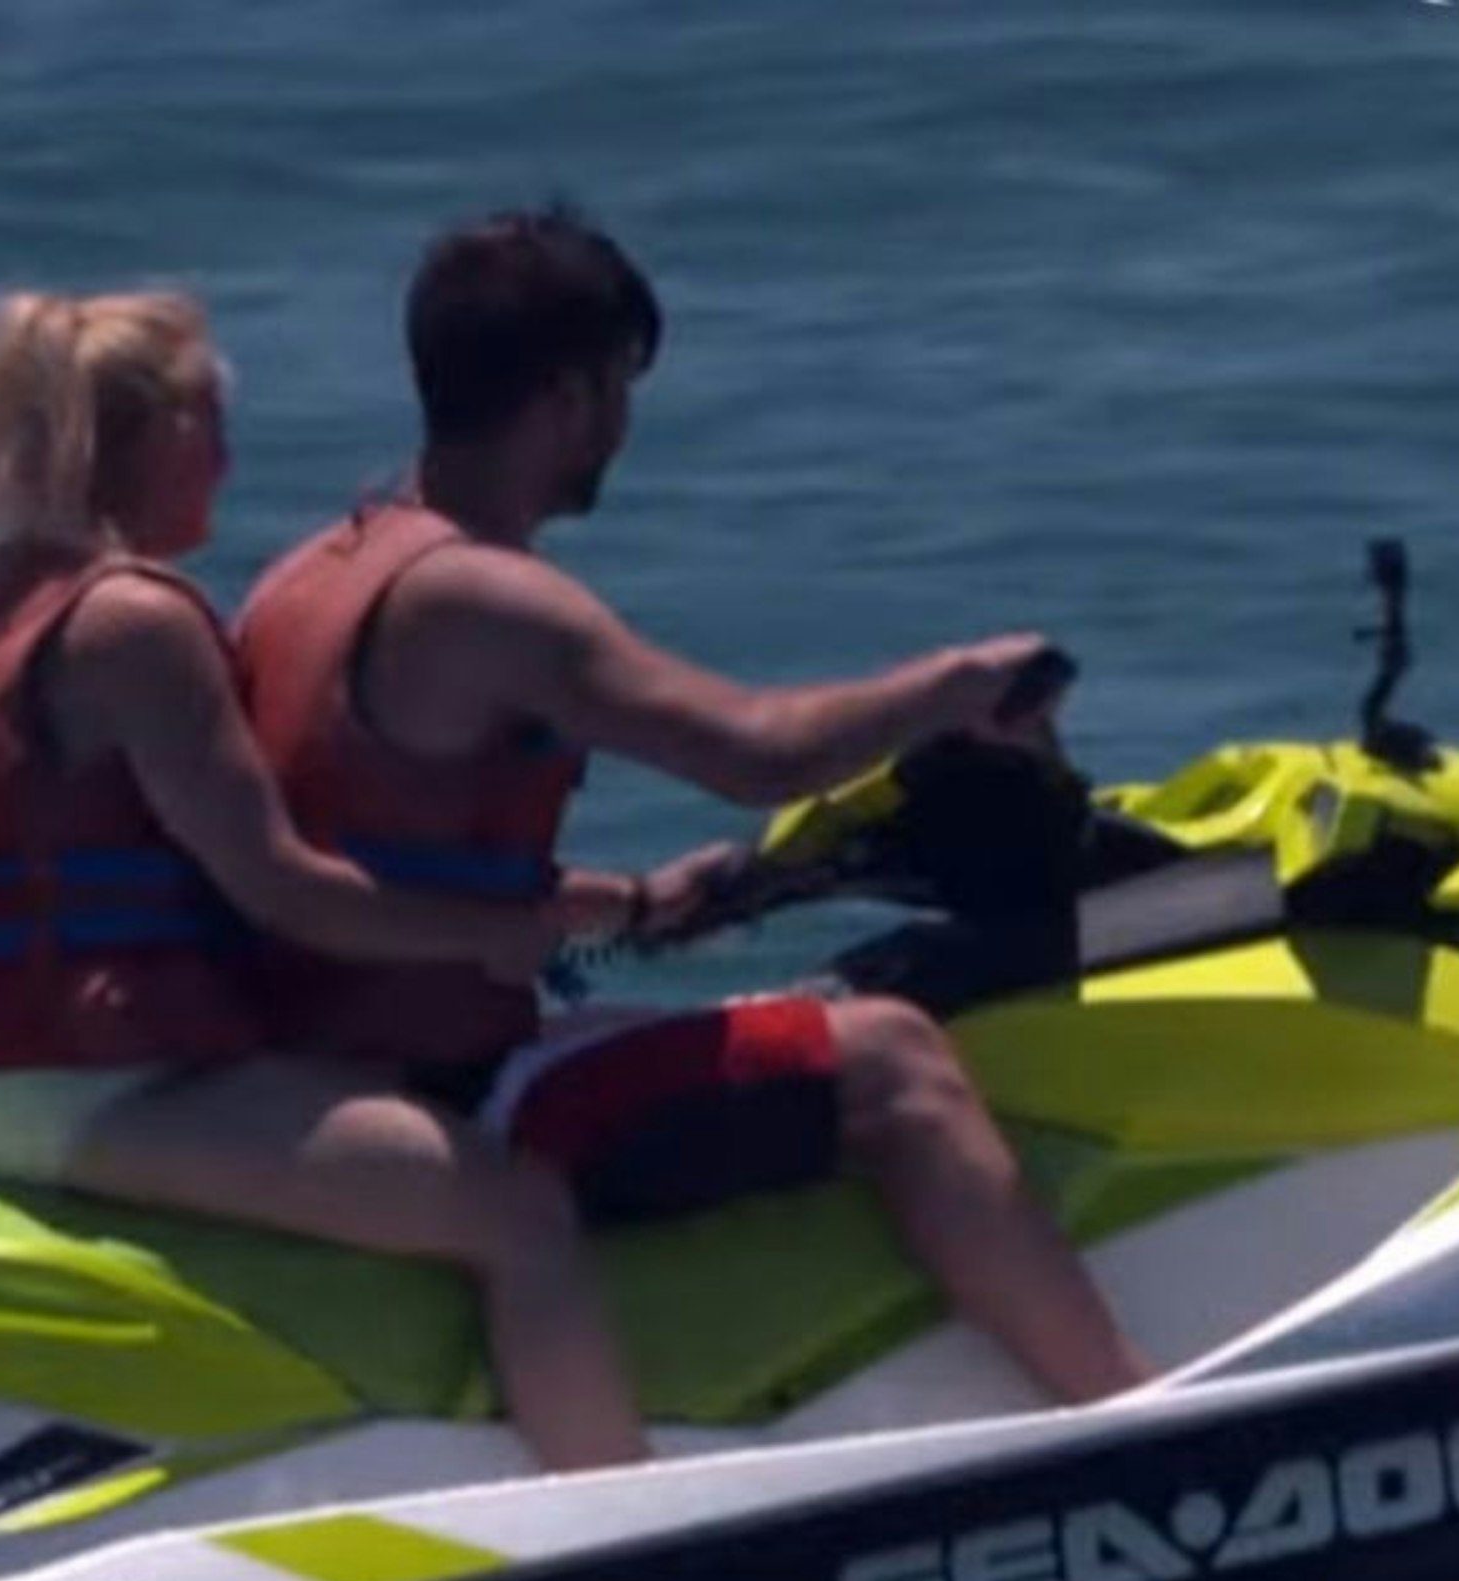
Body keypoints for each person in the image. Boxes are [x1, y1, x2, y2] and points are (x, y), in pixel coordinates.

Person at [234, 207, 1151, 1405]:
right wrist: (955, 686)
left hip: (332, 1060)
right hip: (449, 1084)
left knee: (790, 1012)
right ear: (568, 396)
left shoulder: (310, 574)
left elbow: (384, 861)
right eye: (620, 384)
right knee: (893, 1055)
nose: (621, 423)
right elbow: (754, 752)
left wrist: (625, 905)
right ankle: (1118, 1412)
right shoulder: (484, 601)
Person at [0, 287, 658, 1472]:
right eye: (211, 421)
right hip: (107, 1093)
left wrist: (566, 902)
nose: (229, 456)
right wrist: (493, 930)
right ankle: (620, 1521)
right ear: (144, 436)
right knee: (518, 1214)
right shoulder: (134, 624)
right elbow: (284, 890)